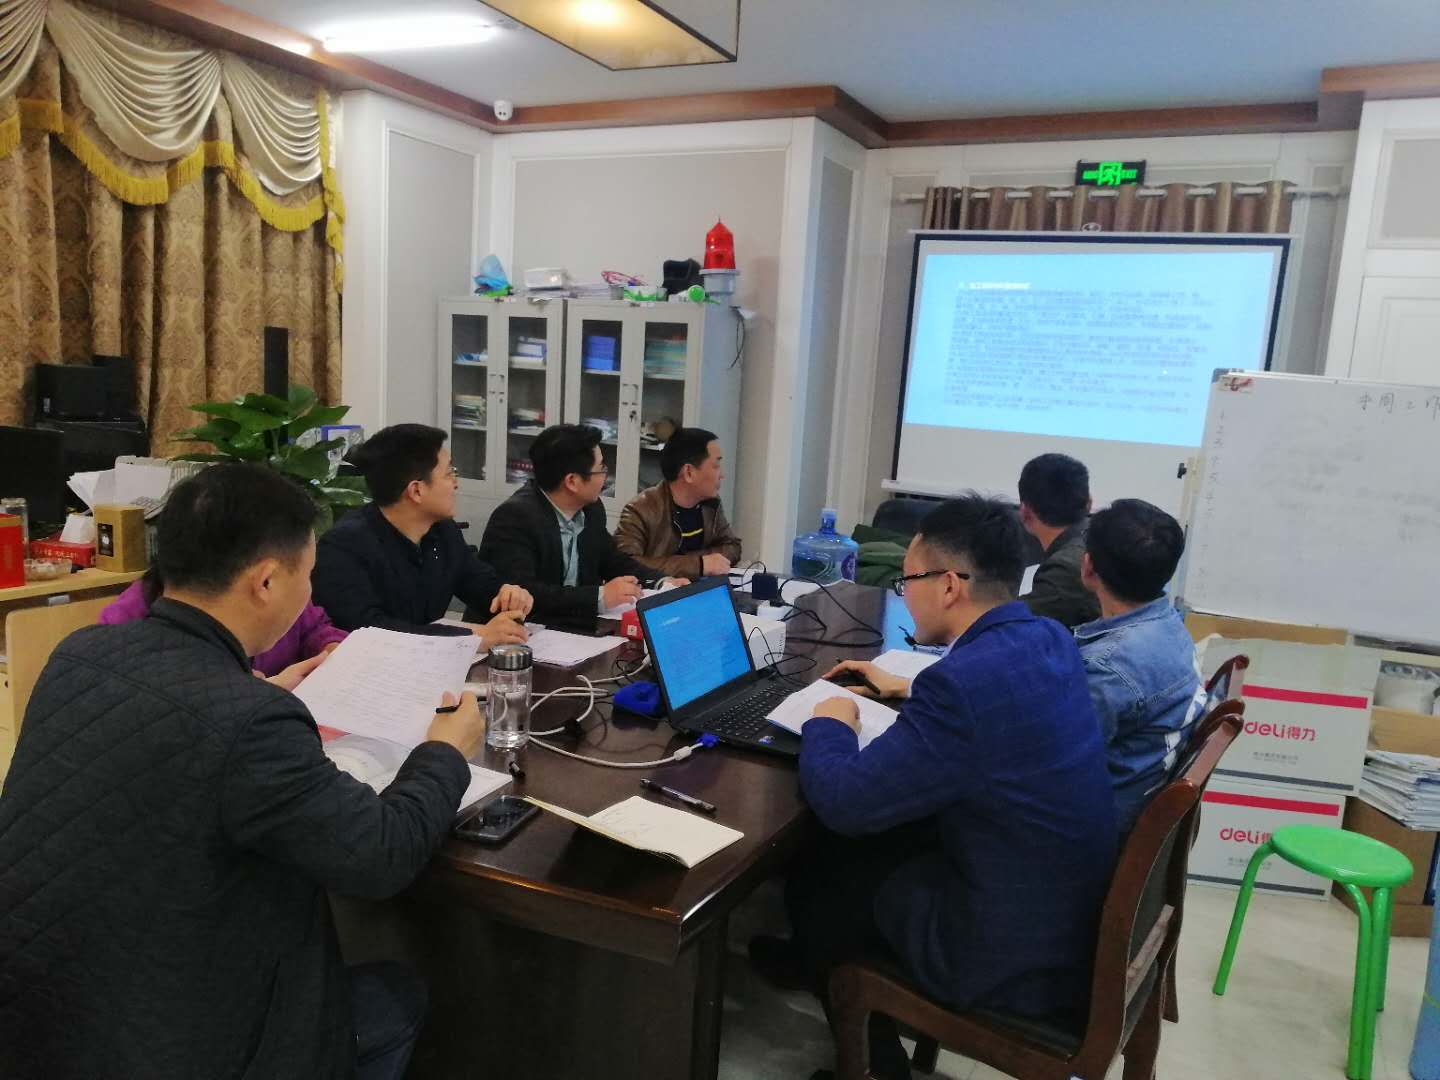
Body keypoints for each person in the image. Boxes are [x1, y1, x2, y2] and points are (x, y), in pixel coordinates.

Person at [0, 463, 488, 1079]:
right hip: (170, 1043)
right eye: (308, 576)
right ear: (266, 581)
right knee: (395, 995)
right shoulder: (250, 721)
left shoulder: (80, 654)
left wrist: (256, 692)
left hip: (39, 1013)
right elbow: (380, 856)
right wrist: (445, 751)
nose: (311, 594)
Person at [756, 495, 1118, 1080]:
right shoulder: (1048, 637)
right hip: (1062, 909)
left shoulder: (961, 687)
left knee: (823, 871)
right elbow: (992, 709)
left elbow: (846, 801)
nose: (904, 592)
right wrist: (908, 690)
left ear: (949, 585)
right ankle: (814, 961)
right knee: (861, 850)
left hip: (1003, 948)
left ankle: (874, 1062)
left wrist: (831, 720)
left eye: (909, 579)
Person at [312, 423, 533, 648]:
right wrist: (472, 637)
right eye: (449, 473)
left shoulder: (443, 530)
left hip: (429, 662)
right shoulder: (343, 547)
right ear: (416, 491)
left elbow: (478, 582)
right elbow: (369, 630)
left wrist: (508, 595)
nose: (456, 483)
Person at [1076, 499, 1208, 833]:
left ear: (1088, 567)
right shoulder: (1169, 623)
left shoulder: (1107, 668)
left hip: (1093, 831)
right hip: (1135, 803)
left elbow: (1054, 764)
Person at [477, 424, 675, 622]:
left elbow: (613, 560)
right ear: (572, 481)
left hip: (572, 628)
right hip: (520, 629)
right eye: (601, 469)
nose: (605, 476)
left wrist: (662, 582)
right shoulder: (515, 517)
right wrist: (598, 597)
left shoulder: (591, 509)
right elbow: (524, 592)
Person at [100, 565, 348, 677]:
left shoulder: (283, 593)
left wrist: (331, 647)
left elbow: (315, 628)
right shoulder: (132, 614)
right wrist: (256, 693)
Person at [614, 427, 742, 579]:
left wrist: (698, 563)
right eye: (716, 466)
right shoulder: (640, 510)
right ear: (688, 472)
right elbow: (624, 565)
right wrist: (699, 565)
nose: (722, 475)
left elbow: (733, 547)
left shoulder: (710, 503)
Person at [1017, 452, 1100, 628]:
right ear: (1089, 503)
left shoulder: (1064, 569)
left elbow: (1010, 626)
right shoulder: (1102, 539)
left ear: (1024, 512)